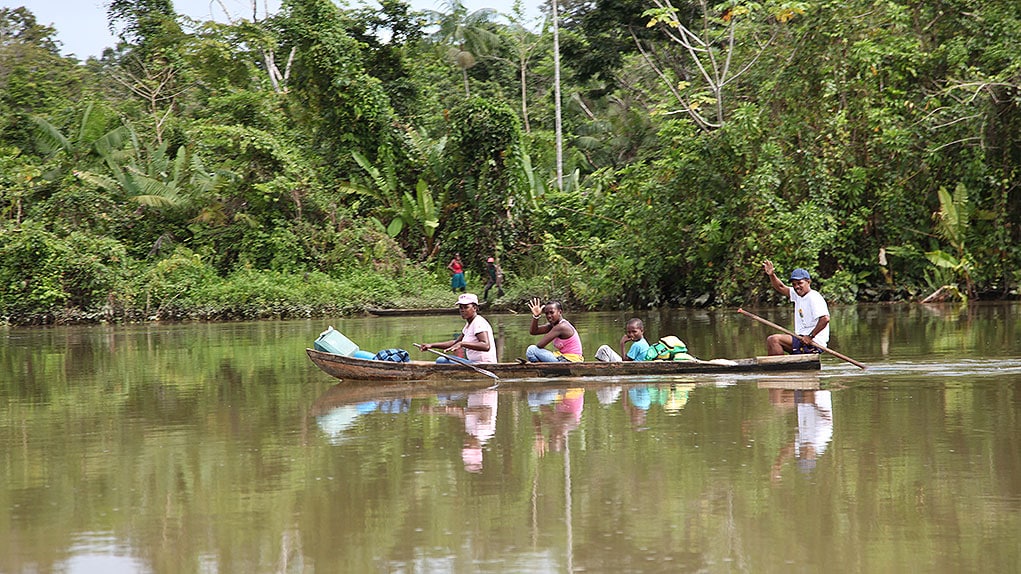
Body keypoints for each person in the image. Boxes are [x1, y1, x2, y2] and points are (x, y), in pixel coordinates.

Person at [762, 260, 830, 356]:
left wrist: (810, 336)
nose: (797, 287)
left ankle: (778, 369)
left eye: (800, 283)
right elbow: (781, 287)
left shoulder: (814, 297)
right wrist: (771, 275)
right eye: (794, 284)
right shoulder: (797, 295)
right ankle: (783, 367)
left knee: (774, 340)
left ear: (808, 282)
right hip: (801, 339)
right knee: (774, 341)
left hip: (814, 342)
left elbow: (825, 319)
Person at [419, 293, 497, 363]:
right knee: (442, 360)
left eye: (466, 307)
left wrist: (462, 344)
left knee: (442, 361)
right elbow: (456, 342)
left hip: (484, 365)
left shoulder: (478, 322)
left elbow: (486, 346)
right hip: (473, 363)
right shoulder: (469, 325)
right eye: (461, 308)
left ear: (475, 308)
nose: (462, 310)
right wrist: (431, 345)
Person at [525, 298, 584, 362]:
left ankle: (541, 369)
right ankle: (542, 368)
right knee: (533, 350)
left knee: (531, 350)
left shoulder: (561, 327)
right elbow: (533, 331)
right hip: (564, 359)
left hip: (569, 361)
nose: (549, 316)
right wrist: (536, 316)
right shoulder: (553, 325)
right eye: (546, 313)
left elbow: (540, 345)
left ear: (560, 312)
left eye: (552, 312)